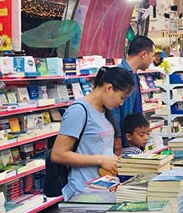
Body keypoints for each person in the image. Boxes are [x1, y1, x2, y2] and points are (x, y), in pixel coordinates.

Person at [51, 66, 135, 201]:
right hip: (83, 190)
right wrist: (101, 160)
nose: (121, 103)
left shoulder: (104, 111)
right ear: (109, 88)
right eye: (121, 97)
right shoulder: (78, 111)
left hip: (103, 188)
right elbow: (58, 154)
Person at [112, 35, 155, 154]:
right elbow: (113, 109)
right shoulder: (120, 74)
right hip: (122, 141)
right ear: (143, 54)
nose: (152, 61)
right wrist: (118, 137)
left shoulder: (134, 75)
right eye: (152, 56)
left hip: (131, 140)